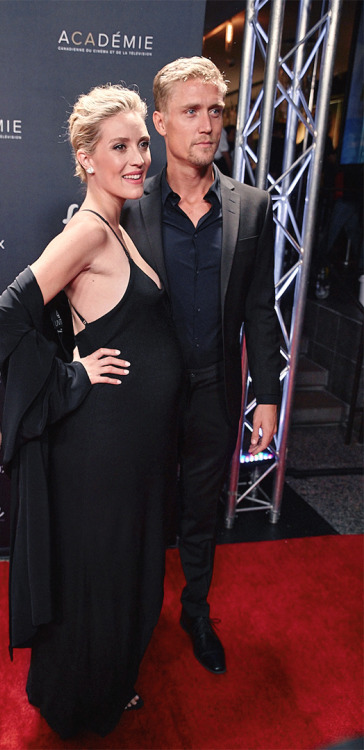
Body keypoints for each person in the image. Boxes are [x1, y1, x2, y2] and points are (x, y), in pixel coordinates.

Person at [0, 85, 182, 738]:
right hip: (99, 448)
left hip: (136, 450)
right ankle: (79, 704)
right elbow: (7, 315)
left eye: (141, 145)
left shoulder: (119, 228)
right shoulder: (87, 232)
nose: (137, 159)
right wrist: (70, 374)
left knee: (122, 570)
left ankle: (106, 683)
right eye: (119, 147)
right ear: (86, 158)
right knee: (97, 578)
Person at [122, 57, 281, 676]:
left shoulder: (252, 206)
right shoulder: (129, 205)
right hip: (144, 396)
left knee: (199, 513)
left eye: (215, 109)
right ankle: (133, 621)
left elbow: (260, 309)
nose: (208, 124)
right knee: (139, 511)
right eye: (191, 111)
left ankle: (194, 610)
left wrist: (265, 395)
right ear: (160, 122)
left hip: (216, 392)